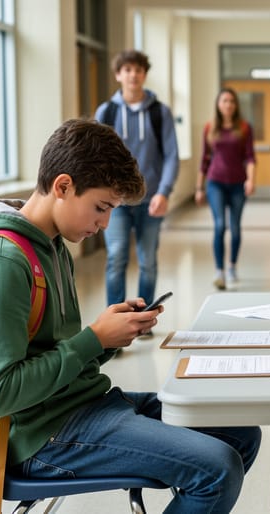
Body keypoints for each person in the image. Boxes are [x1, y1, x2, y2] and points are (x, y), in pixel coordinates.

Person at [0, 119, 261, 514]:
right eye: (101, 207)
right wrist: (93, 338)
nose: (105, 224)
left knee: (241, 433)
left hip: (82, 405)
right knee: (219, 468)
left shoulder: (52, 245)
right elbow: (1, 394)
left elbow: (53, 353)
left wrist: (109, 337)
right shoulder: (2, 263)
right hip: (42, 435)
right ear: (62, 187)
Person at [95, 49, 179, 334]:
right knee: (116, 257)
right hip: (114, 202)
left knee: (148, 262)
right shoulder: (106, 112)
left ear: (144, 74)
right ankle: (114, 325)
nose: (133, 75)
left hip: (151, 199)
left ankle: (142, 322)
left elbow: (171, 155)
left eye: (138, 70)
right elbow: (95, 156)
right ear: (119, 74)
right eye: (127, 69)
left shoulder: (159, 112)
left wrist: (164, 192)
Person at [195, 87, 256, 290]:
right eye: (224, 101)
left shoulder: (245, 128)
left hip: (238, 183)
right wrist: (199, 187)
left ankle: (232, 266)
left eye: (231, 101)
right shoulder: (210, 128)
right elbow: (204, 159)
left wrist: (251, 180)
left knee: (236, 229)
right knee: (220, 225)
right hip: (215, 182)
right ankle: (219, 271)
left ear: (235, 105)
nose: (228, 104)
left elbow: (250, 157)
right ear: (218, 105)